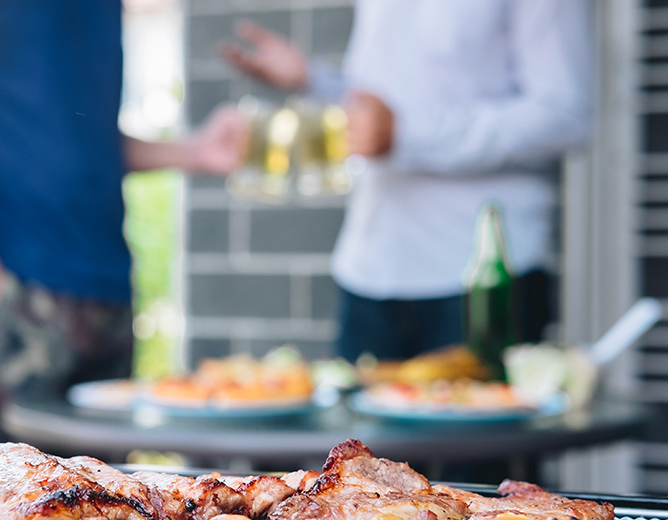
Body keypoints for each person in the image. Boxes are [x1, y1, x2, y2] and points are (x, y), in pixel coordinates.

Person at [0, 1, 245, 446]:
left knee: (107, 504)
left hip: (107, 295)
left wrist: (192, 152)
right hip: (13, 290)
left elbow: (76, 137)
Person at [222, 1, 593, 362]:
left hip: (481, 275)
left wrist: (408, 136)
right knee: (351, 424)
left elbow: (564, 114)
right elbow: (384, 107)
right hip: (370, 267)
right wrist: (315, 81)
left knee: (475, 424)